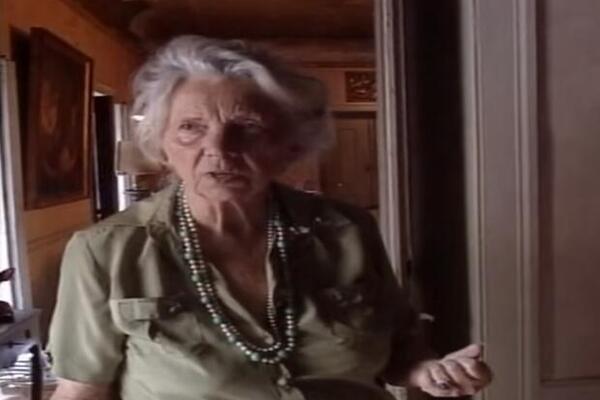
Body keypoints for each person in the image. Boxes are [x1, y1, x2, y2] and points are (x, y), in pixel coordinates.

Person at [47, 36, 492, 400]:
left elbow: (401, 352)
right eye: (191, 127)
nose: (219, 149)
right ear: (162, 144)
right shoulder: (106, 251)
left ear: (290, 146)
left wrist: (431, 371)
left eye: (248, 127)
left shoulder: (347, 230)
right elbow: (82, 392)